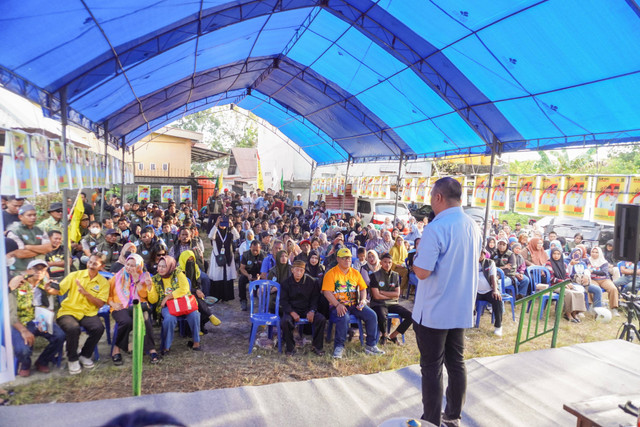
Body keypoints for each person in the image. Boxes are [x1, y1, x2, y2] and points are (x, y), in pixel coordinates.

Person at [412, 177, 482, 427]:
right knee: (456, 363)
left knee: (432, 368)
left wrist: (414, 259)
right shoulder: (473, 226)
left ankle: (430, 421)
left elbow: (422, 271)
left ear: (438, 197)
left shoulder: (436, 228)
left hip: (434, 310)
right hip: (460, 306)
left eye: (431, 196)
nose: (430, 201)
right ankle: (453, 415)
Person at [321, 247, 383, 359]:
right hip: (337, 305)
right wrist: (337, 305)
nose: (347, 261)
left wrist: (363, 300)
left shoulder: (355, 273)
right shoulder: (331, 273)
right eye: (344, 258)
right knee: (343, 317)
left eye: (349, 258)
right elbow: (327, 293)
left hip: (354, 304)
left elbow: (363, 288)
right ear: (338, 259)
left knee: (372, 315)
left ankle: (371, 345)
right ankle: (339, 346)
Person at [54, 254, 110, 374]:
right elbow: (59, 290)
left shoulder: (103, 282)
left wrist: (86, 293)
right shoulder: (75, 275)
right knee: (73, 328)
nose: (90, 265)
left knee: (99, 328)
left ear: (102, 266)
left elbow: (100, 303)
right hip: (69, 310)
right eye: (90, 262)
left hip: (88, 313)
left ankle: (85, 355)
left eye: (95, 264)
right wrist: (49, 288)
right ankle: (72, 358)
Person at [8, 260, 66, 376]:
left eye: (43, 269)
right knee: (22, 350)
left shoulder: (43, 286)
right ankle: (25, 364)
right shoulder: (18, 284)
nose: (39, 272)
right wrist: (24, 330)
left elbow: (50, 303)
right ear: (28, 270)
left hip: (39, 320)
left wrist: (49, 291)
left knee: (60, 336)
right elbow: (11, 315)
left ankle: (42, 361)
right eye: (36, 269)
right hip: (20, 322)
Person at [108, 254, 160, 365]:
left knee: (145, 319)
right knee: (126, 321)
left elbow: (146, 296)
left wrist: (137, 281)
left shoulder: (144, 277)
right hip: (120, 306)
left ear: (139, 266)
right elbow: (105, 293)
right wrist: (112, 303)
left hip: (138, 305)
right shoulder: (117, 277)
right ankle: (116, 349)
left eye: (133, 265)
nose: (129, 267)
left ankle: (151, 349)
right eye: (128, 264)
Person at [147, 256, 201, 353]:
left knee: (194, 314)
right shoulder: (155, 279)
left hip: (183, 303)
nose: (161, 269)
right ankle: (166, 346)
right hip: (168, 306)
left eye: (164, 266)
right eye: (159, 266)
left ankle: (196, 341)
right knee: (169, 319)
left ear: (170, 266)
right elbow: (153, 300)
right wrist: (150, 288)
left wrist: (168, 297)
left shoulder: (177, 273)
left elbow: (184, 288)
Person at [280, 260, 326, 356]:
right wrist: (292, 312)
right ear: (292, 270)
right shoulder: (285, 283)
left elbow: (315, 298)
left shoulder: (312, 282)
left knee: (321, 319)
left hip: (307, 309)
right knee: (285, 321)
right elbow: (284, 301)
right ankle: (290, 348)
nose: (299, 273)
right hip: (292, 309)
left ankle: (317, 346)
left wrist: (312, 311)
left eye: (301, 270)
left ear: (304, 271)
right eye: (296, 270)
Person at [369, 253, 412, 345]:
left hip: (392, 303)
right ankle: (384, 335)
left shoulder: (395, 275)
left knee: (411, 316)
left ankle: (393, 335)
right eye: (385, 262)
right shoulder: (374, 276)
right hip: (378, 303)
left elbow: (397, 294)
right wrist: (390, 295)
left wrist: (383, 292)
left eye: (389, 262)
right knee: (381, 314)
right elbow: (376, 296)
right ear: (380, 263)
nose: (387, 264)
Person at [6, 204, 52, 274]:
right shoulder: (13, 231)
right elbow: (20, 253)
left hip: (40, 270)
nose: (33, 217)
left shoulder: (40, 230)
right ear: (20, 217)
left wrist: (28, 247)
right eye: (29, 215)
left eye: (34, 215)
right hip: (21, 271)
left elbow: (48, 248)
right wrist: (42, 250)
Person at [546, 248, 586, 322]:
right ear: (551, 254)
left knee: (579, 293)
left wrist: (568, 282)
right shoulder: (549, 263)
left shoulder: (563, 264)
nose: (556, 256)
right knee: (569, 293)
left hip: (564, 284)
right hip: (554, 285)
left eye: (558, 254)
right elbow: (551, 279)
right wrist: (563, 282)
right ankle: (568, 314)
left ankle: (575, 313)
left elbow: (567, 276)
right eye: (554, 254)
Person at [208, 216, 237, 301]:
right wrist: (216, 224)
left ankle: (226, 296)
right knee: (218, 275)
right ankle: (217, 296)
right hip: (218, 256)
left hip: (228, 256)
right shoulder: (215, 231)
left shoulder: (229, 231)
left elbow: (237, 236)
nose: (223, 224)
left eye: (224, 222)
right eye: (221, 222)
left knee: (227, 275)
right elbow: (210, 236)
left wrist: (231, 226)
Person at [477, 250, 504, 336]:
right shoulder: (470, 262)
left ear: (484, 254)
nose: (480, 255)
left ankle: (498, 326)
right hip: (475, 291)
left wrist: (495, 290)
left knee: (498, 300)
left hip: (489, 290)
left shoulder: (490, 263)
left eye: (482, 253)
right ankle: (472, 317)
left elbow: (493, 277)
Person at [587, 246, 620, 316]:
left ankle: (614, 308)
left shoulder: (604, 262)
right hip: (592, 279)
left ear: (600, 253)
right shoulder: (587, 260)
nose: (594, 254)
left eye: (596, 252)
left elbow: (604, 272)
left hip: (604, 279)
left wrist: (592, 271)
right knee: (592, 288)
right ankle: (591, 307)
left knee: (613, 289)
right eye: (593, 252)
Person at [238, 240, 265, 311]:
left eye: (257, 250)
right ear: (250, 247)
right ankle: (243, 300)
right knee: (241, 280)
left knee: (266, 281)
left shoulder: (263, 255)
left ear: (260, 248)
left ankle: (263, 302)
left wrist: (260, 276)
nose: (255, 252)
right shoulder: (245, 254)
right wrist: (247, 275)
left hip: (260, 273)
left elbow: (266, 269)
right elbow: (242, 268)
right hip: (248, 272)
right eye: (253, 250)